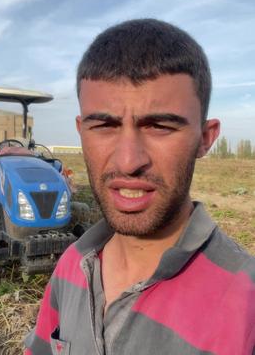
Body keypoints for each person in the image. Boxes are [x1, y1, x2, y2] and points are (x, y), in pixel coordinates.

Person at [24, 19, 255, 355]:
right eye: (104, 125)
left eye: (159, 126)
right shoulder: (73, 264)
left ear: (205, 139)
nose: (128, 161)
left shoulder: (246, 305)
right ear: (81, 130)